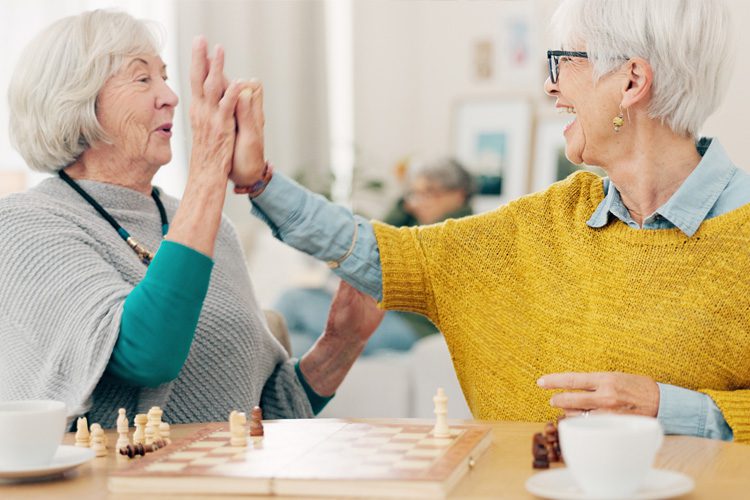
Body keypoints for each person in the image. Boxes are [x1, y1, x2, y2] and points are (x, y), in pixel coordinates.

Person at [231, 0, 750, 442]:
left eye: (562, 61)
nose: (550, 87)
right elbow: (384, 252)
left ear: (631, 81)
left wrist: (672, 408)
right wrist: (260, 183)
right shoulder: (548, 220)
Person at [0, 10, 383, 428]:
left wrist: (342, 342)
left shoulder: (212, 228)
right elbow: (145, 355)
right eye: (142, 78)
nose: (170, 95)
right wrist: (209, 165)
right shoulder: (26, 225)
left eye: (164, 76)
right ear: (73, 101)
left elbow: (261, 420)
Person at [275, 158, 474, 356]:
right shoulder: (418, 225)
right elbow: (374, 238)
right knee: (299, 344)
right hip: (388, 315)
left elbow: (375, 255)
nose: (419, 202)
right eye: (415, 194)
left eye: (430, 193)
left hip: (412, 327)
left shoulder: (461, 235)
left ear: (459, 195)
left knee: (293, 301)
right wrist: (402, 207)